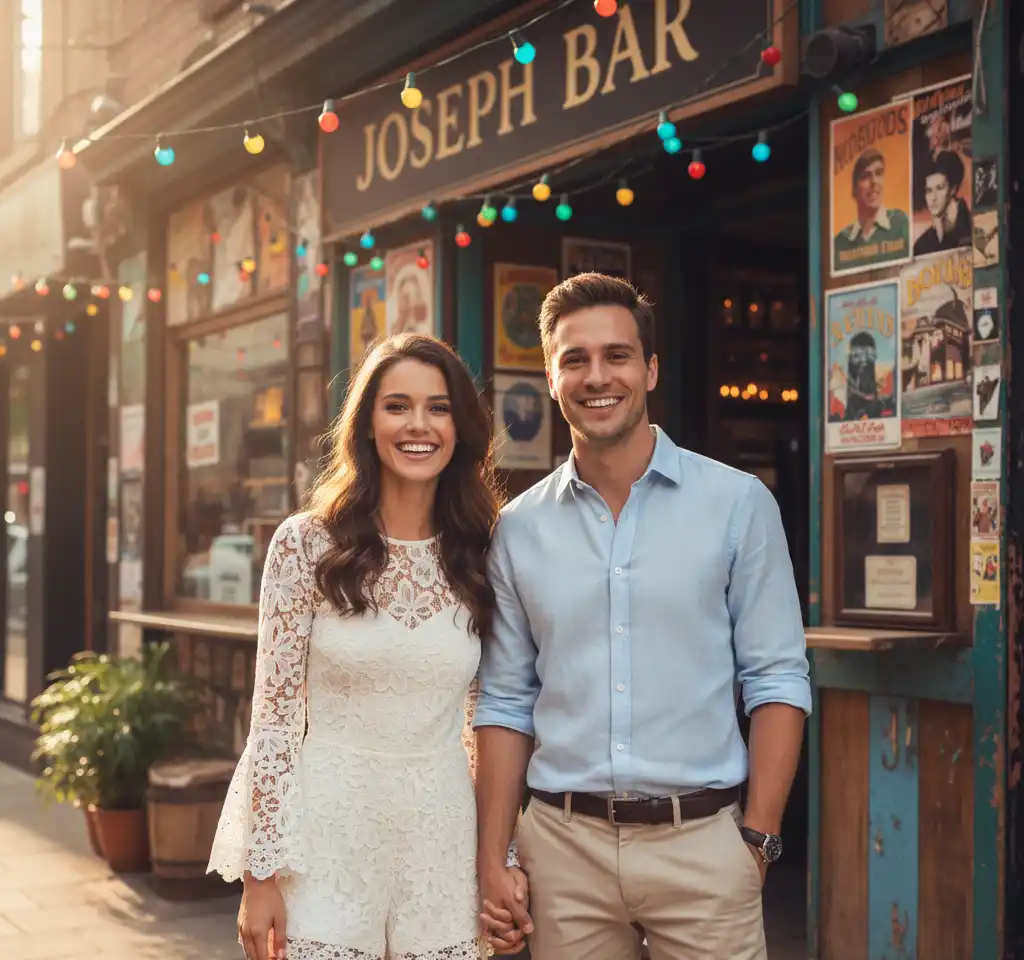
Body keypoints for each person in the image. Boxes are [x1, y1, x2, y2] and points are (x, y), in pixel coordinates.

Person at [473, 273, 812, 960]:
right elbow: (506, 701)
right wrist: (493, 854)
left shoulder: (738, 505)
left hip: (705, 846)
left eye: (617, 355)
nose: (597, 376)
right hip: (562, 855)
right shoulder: (517, 528)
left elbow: (778, 679)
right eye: (575, 359)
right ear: (550, 375)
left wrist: (757, 838)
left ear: (650, 368)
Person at [208, 333, 527, 960]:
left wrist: (502, 856)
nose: (418, 425)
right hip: (325, 833)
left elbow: (485, 721)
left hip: (441, 838)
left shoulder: (485, 553)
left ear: (461, 426)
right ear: (367, 423)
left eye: (438, 407)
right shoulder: (306, 545)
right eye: (397, 405)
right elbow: (273, 721)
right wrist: (261, 873)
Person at [833, 147, 910, 270]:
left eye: (879, 173)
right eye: (865, 176)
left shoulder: (901, 223)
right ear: (854, 190)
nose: (874, 181)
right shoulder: (839, 242)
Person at [913, 150, 972, 255]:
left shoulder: (974, 226)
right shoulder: (921, 245)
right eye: (929, 190)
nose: (933, 198)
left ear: (953, 188)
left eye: (940, 188)